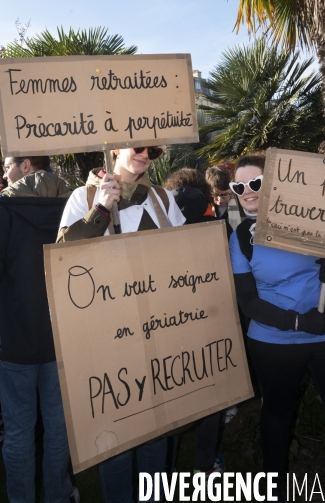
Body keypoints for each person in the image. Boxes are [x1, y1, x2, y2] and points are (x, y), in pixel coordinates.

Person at [228, 153, 325, 501]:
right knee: (276, 414)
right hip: (275, 342)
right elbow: (248, 301)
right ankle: (274, 490)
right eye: (239, 186)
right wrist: (298, 322)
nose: (247, 192)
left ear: (276, 183)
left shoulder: (317, 219)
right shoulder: (241, 238)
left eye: (256, 183)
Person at [57, 146, 186, 503]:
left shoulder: (162, 198)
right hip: (107, 340)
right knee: (114, 435)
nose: (148, 154)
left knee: (156, 433)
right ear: (114, 145)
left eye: (155, 149)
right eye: (139, 146)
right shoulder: (83, 196)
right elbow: (62, 258)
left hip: (159, 331)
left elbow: (187, 255)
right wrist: (101, 210)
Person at [0, 156, 78, 503]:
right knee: (58, 428)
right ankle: (59, 495)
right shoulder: (76, 206)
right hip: (62, 336)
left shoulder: (5, 211)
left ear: (26, 165)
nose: (5, 171)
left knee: (18, 432)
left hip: (13, 339)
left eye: (8, 165)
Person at [161, 172, 226, 478]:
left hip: (170, 326)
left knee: (173, 393)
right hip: (211, 321)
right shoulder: (216, 228)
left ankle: (167, 465)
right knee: (210, 391)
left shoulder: (158, 231)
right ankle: (205, 463)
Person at [205, 165, 243, 232]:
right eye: (215, 194)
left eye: (225, 194)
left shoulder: (243, 202)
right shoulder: (203, 206)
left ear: (231, 189)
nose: (220, 200)